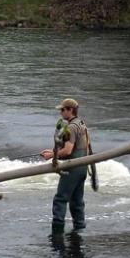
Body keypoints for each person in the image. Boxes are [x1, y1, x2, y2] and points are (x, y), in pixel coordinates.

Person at [40, 98, 90, 232]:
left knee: (60, 199)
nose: (60, 112)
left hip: (72, 168)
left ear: (70, 110)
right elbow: (77, 147)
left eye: (62, 110)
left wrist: (51, 155)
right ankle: (79, 230)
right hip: (82, 167)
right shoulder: (81, 123)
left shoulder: (71, 127)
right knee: (77, 201)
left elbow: (68, 150)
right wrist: (53, 151)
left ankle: (57, 233)